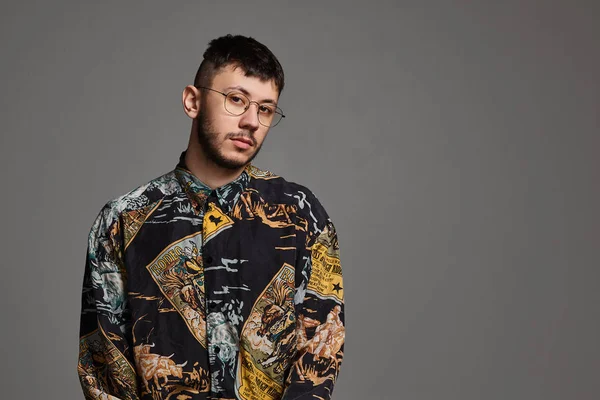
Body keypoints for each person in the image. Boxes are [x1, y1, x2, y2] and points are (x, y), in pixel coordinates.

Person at [77, 34, 345, 400]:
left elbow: (320, 350)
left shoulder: (300, 213)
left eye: (265, 109)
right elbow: (106, 372)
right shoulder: (122, 221)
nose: (251, 121)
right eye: (237, 100)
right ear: (193, 101)